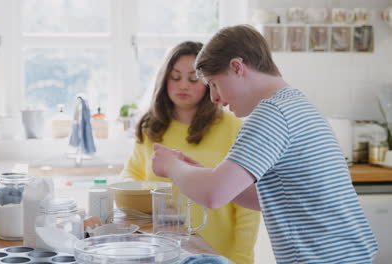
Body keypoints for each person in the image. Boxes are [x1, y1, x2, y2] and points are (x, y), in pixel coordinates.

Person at [151, 25, 378, 264]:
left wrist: (171, 167)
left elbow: (214, 194)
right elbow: (270, 197)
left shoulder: (272, 114)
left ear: (237, 67)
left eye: (214, 84)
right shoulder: (295, 104)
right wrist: (200, 173)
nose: (214, 98)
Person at [121, 41, 260, 264]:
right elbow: (129, 178)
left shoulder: (233, 129)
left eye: (193, 79)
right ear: (164, 79)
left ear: (209, 83)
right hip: (161, 252)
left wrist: (241, 258)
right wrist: (149, 199)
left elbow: (248, 210)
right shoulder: (150, 128)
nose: (183, 85)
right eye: (175, 77)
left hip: (217, 255)